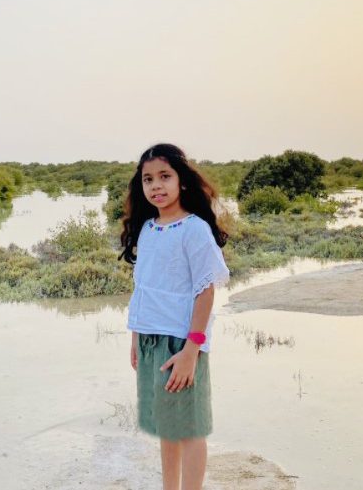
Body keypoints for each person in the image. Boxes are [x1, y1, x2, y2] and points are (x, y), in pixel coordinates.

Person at [118, 143, 230, 490]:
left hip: (182, 342)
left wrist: (192, 350)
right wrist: (136, 338)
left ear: (182, 181)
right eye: (148, 179)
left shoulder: (194, 228)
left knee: (189, 428)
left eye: (165, 176)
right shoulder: (148, 229)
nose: (156, 185)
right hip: (151, 339)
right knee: (168, 427)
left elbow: (206, 291)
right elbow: (144, 288)